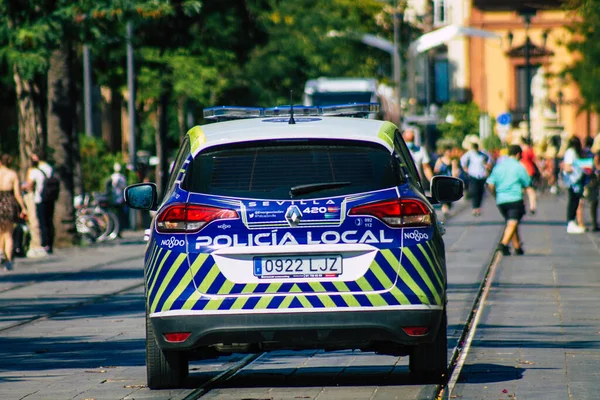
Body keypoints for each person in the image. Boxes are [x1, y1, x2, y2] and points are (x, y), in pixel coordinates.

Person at [486, 145, 537, 256]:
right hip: (515, 199)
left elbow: (490, 184)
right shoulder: (519, 167)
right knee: (513, 222)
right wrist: (533, 205)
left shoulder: (499, 166)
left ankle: (517, 247)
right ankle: (503, 244)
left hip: (501, 201)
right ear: (518, 154)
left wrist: (496, 195)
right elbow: (528, 185)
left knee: (511, 222)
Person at [0, 154, 27, 270]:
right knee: (8, 234)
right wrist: (23, 207)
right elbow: (17, 194)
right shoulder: (12, 174)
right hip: (8, 203)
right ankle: (9, 261)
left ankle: (1, 252)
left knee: (0, 233)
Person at [26, 152, 56, 253]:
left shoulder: (34, 170)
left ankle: (44, 243)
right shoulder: (49, 168)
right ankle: (50, 243)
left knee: (42, 221)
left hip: (40, 197)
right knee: (49, 220)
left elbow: (29, 184)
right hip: (50, 197)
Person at [562, 136, 586, 234]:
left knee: (575, 201)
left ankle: (572, 222)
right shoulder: (571, 152)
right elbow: (567, 166)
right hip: (573, 181)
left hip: (574, 181)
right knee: (573, 201)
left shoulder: (571, 152)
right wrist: (578, 169)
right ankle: (571, 223)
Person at [460, 141, 492, 216]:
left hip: (481, 174)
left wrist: (487, 167)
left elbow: (489, 159)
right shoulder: (470, 154)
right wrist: (465, 168)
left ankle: (478, 207)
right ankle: (475, 208)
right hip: (473, 174)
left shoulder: (483, 153)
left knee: (480, 192)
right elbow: (462, 160)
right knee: (474, 191)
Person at [433, 144, 459, 219]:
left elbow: (454, 171)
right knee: (443, 195)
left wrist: (455, 179)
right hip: (442, 180)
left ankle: (446, 207)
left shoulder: (453, 161)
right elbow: (436, 169)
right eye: (447, 152)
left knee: (449, 196)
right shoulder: (440, 160)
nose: (449, 153)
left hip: (449, 180)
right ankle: (445, 210)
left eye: (450, 152)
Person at [105, 162, 128, 236]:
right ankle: (117, 230)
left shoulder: (113, 177)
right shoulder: (121, 177)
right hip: (119, 198)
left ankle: (116, 230)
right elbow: (124, 187)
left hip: (115, 198)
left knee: (115, 215)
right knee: (118, 215)